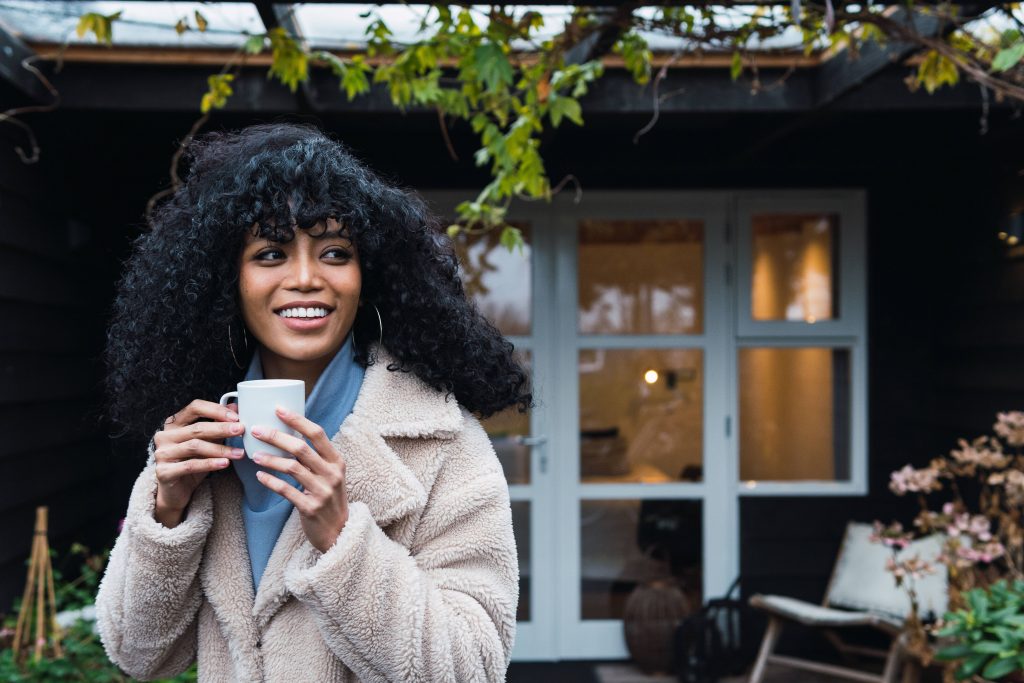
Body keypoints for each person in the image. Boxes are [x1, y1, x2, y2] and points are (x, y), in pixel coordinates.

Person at [95, 122, 530, 682]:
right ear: (227, 279)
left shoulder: (443, 445)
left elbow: (473, 669)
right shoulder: (198, 440)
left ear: (366, 275)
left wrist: (341, 539)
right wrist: (167, 511)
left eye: (334, 252)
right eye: (271, 253)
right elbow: (137, 653)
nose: (305, 278)